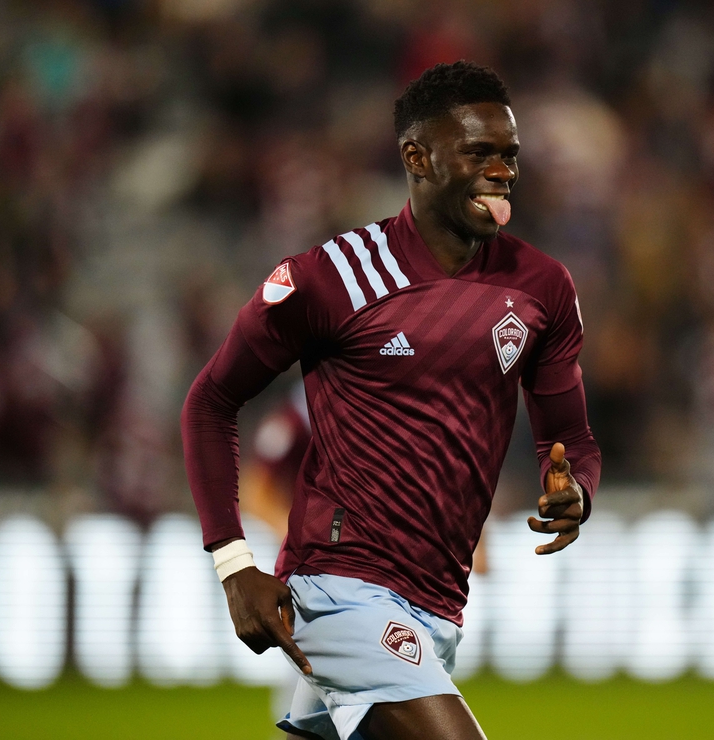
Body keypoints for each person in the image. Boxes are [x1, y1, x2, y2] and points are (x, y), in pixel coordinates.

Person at [182, 61, 601, 740]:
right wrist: (233, 566)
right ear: (418, 157)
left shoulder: (541, 288)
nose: (503, 172)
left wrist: (575, 488)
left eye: (510, 155)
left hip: (435, 606)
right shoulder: (331, 278)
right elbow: (209, 401)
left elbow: (571, 441)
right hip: (339, 591)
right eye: (479, 153)